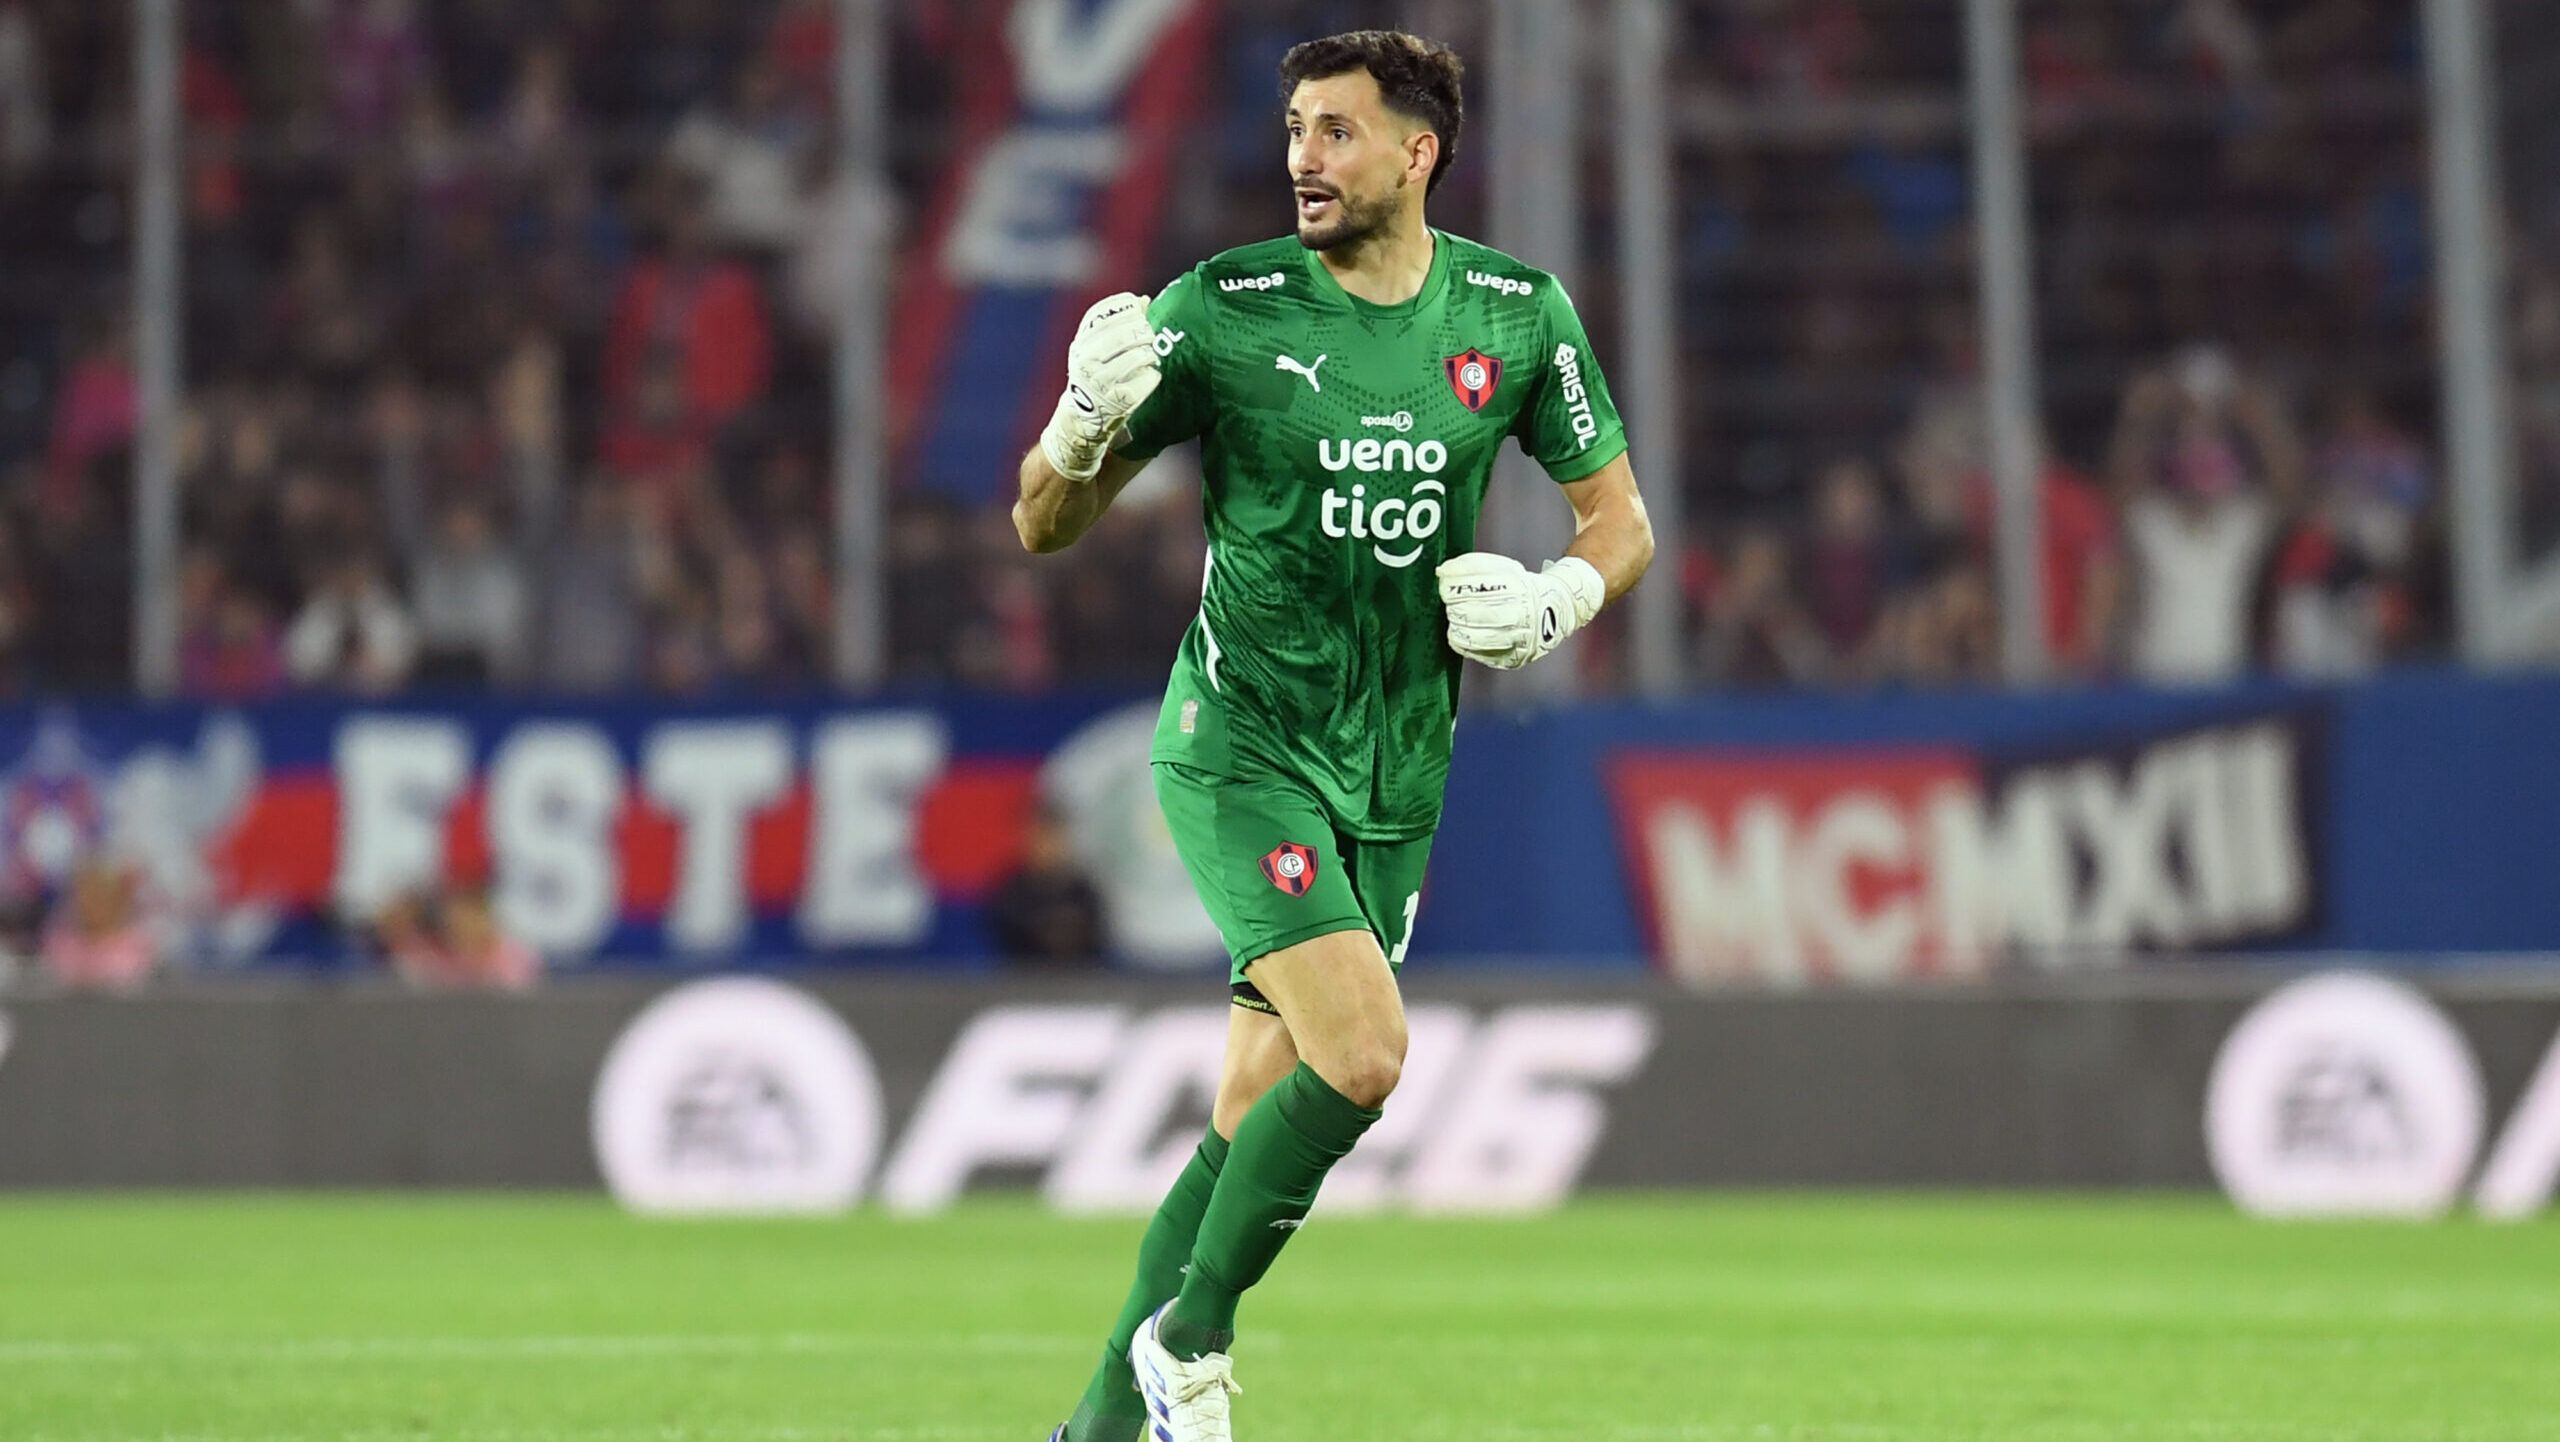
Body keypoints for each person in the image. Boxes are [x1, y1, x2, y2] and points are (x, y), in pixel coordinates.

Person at [1011, 31, 1655, 1442]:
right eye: (1296, 128)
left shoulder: (1515, 311)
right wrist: (1075, 425)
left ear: (1418, 153)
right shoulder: (1223, 310)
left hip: (1395, 771)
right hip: (1241, 746)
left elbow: (1623, 526)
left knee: (1256, 1102)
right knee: (1361, 1056)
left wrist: (1557, 598)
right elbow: (1041, 526)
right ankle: (1194, 1344)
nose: (1304, 155)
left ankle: (1097, 1431)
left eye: (1339, 132)